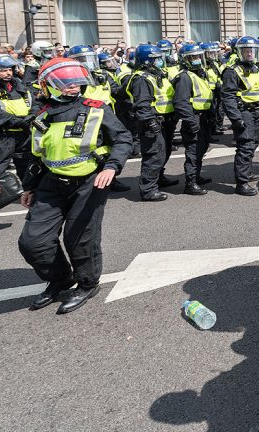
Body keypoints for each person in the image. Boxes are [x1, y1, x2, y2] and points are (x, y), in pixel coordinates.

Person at [19, 58, 132, 314]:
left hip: (89, 182)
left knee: (80, 239)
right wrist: (30, 186)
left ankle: (87, 283)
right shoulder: (40, 114)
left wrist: (111, 167)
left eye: (76, 82)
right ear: (47, 86)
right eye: (66, 82)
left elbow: (123, 139)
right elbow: (36, 155)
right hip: (50, 183)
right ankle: (61, 279)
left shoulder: (96, 108)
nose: (73, 87)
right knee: (32, 242)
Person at [128, 44, 177, 202]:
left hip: (165, 120)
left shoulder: (157, 75)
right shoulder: (142, 79)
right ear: (146, 61)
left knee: (165, 152)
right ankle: (148, 189)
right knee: (154, 155)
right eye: (156, 59)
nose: (160, 62)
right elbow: (142, 105)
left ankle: (159, 178)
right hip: (152, 122)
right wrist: (150, 122)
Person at [221, 36, 259, 196]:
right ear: (240, 53)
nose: (250, 54)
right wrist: (236, 118)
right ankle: (242, 183)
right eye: (246, 51)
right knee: (245, 146)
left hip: (255, 112)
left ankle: (246, 172)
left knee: (253, 143)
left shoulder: (255, 68)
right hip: (243, 112)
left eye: (252, 51)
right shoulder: (232, 71)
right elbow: (228, 97)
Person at [173, 44, 213, 195]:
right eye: (193, 57)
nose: (197, 60)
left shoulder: (199, 73)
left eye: (198, 56)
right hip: (193, 118)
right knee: (193, 152)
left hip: (203, 118)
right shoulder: (184, 77)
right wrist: (190, 121)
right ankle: (190, 183)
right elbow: (181, 103)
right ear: (185, 60)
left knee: (201, 150)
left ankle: (196, 176)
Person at [0, 54, 35, 181]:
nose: (8, 73)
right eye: (3, 70)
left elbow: (35, 103)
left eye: (10, 69)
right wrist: (19, 121)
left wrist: (32, 116)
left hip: (24, 134)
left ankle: (27, 195)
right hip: (2, 136)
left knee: (27, 168)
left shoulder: (19, 85)